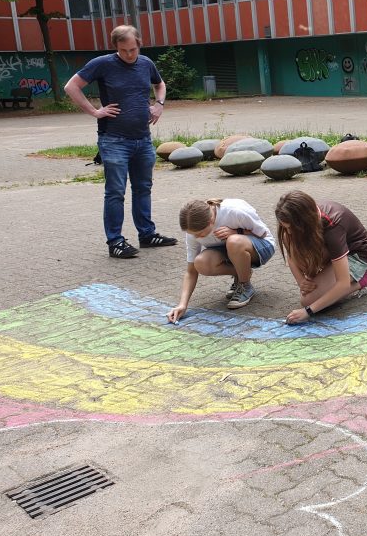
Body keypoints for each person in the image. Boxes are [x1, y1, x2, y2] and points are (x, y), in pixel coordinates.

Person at [63, 25, 176, 259]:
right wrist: (95, 111)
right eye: (123, 50)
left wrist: (159, 104)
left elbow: (160, 84)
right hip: (114, 140)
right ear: (116, 47)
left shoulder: (146, 63)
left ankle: (147, 234)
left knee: (143, 188)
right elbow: (71, 86)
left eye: (133, 49)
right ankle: (115, 241)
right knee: (115, 192)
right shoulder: (102, 64)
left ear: (139, 44)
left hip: (143, 139)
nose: (129, 55)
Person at [275, 190, 367, 325]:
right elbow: (291, 254)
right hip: (330, 252)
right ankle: (327, 279)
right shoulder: (305, 215)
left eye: (291, 227)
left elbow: (343, 284)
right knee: (288, 237)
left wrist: (308, 311)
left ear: (304, 222)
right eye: (285, 227)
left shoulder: (333, 226)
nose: (289, 231)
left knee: (308, 301)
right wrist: (301, 281)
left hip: (355, 256)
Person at [167, 198, 276, 321]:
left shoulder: (234, 212)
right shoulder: (193, 231)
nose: (196, 237)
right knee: (201, 262)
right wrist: (182, 305)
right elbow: (191, 271)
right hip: (230, 251)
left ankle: (245, 286)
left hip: (262, 247)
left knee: (234, 241)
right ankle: (242, 273)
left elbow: (262, 233)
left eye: (200, 234)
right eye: (193, 234)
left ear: (211, 221)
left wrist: (237, 231)